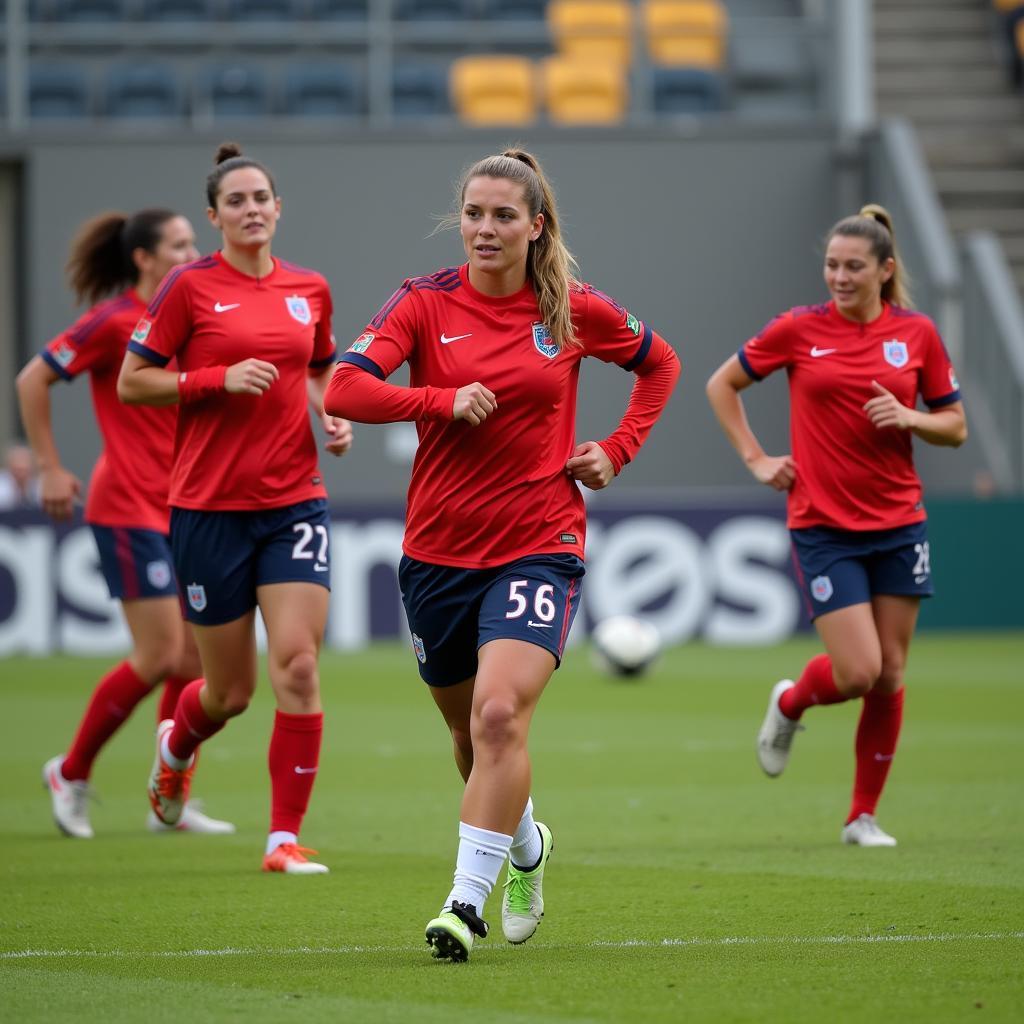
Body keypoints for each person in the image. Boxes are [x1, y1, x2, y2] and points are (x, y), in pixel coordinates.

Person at [324, 148, 680, 960]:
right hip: (438, 553)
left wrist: (618, 449)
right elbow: (344, 388)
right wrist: (439, 400)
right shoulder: (422, 303)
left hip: (539, 542)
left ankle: (463, 903)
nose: (485, 229)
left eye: (503, 216)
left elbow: (660, 363)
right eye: (474, 214)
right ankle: (526, 846)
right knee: (469, 735)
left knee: (497, 714)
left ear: (535, 226)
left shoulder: (572, 311)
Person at [117, 142, 353, 875]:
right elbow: (134, 382)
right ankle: (177, 747)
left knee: (299, 665)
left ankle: (282, 839)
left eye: (262, 199)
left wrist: (330, 411)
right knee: (228, 693)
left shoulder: (309, 288)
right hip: (207, 510)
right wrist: (214, 379)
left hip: (293, 503)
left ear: (279, 209)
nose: (252, 210)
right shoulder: (189, 289)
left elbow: (317, 365)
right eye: (238, 201)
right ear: (214, 215)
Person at [705, 204, 967, 847]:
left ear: (885, 271)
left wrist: (911, 419)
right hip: (823, 524)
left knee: (892, 673)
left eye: (854, 267)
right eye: (831, 265)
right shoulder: (799, 329)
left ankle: (861, 817)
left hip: (900, 522)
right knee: (857, 673)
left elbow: (954, 426)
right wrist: (757, 458)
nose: (840, 277)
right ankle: (791, 702)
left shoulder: (918, 334)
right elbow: (723, 384)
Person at [16, 208, 234, 838]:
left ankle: (169, 797)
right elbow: (32, 378)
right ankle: (72, 772)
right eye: (181, 243)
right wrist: (51, 467)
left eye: (197, 240)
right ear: (144, 258)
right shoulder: (115, 323)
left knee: (196, 662)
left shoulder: (192, 316)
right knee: (162, 651)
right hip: (128, 504)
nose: (195, 251)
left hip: (188, 504)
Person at [0, 443, 42, 510]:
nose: (20, 474)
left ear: (32, 469)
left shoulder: (42, 486)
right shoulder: (2, 485)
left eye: (24, 470)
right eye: (17, 470)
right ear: (9, 468)